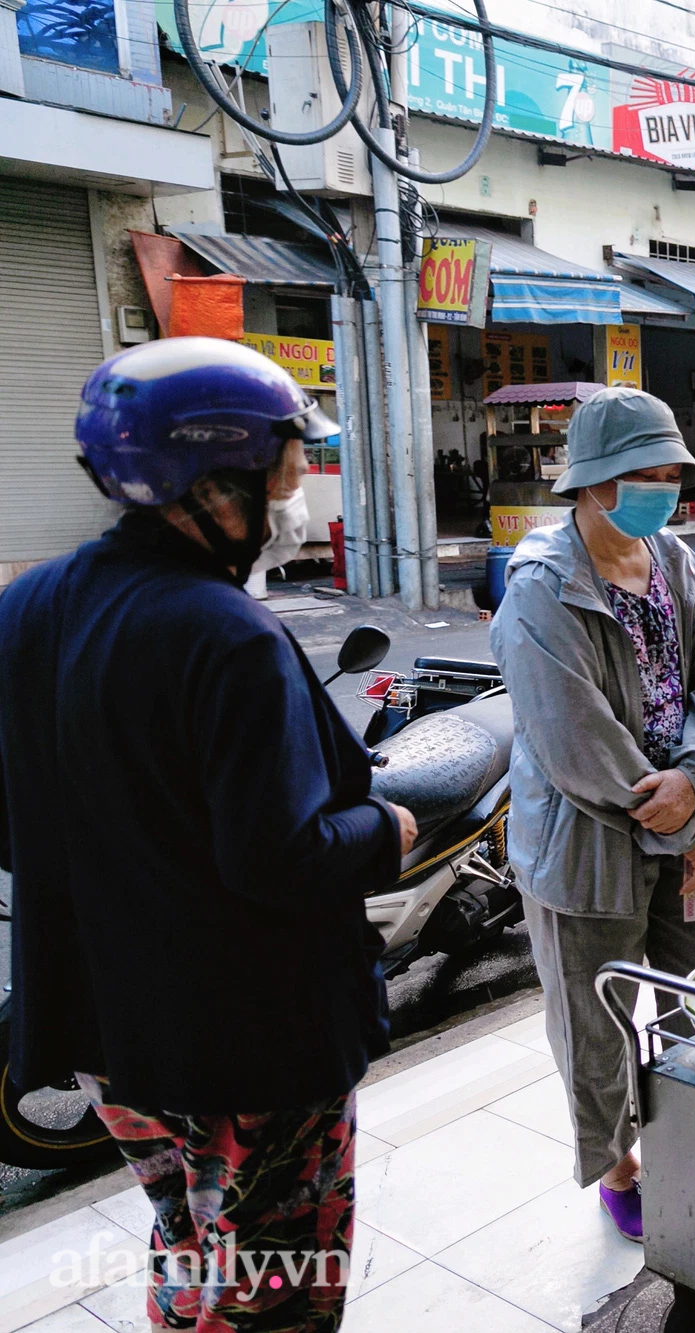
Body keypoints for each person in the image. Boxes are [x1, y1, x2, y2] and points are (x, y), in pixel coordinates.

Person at [0, 338, 418, 1330]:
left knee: (190, 1236)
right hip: (248, 1049)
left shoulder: (25, 606)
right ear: (217, 474)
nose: (299, 487)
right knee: (277, 1288)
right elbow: (279, 855)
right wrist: (384, 825)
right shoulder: (224, 632)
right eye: (289, 461)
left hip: (111, 1040)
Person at [490, 387, 695, 1246]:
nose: (664, 489)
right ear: (594, 482)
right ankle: (616, 1165)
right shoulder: (540, 588)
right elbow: (577, 748)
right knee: (597, 1027)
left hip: (685, 823)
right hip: (587, 844)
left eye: (672, 474)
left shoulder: (674, 558)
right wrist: (683, 824)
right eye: (646, 473)